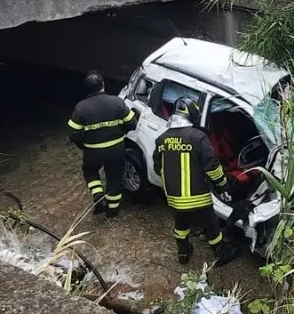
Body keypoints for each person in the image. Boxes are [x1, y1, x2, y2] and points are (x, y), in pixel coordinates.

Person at [154, 97, 239, 267]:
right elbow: (212, 167)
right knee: (210, 225)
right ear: (191, 113)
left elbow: (158, 167)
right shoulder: (197, 137)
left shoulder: (162, 139)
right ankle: (220, 252)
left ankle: (183, 251)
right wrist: (222, 185)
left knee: (181, 223)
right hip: (197, 196)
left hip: (174, 197)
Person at [67, 71, 137, 219]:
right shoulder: (117, 102)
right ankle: (113, 211)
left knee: (90, 171)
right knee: (114, 178)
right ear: (103, 84)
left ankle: (98, 195)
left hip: (93, 151)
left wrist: (83, 145)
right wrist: (121, 132)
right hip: (116, 149)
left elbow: (73, 133)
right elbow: (132, 123)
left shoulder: (81, 108)